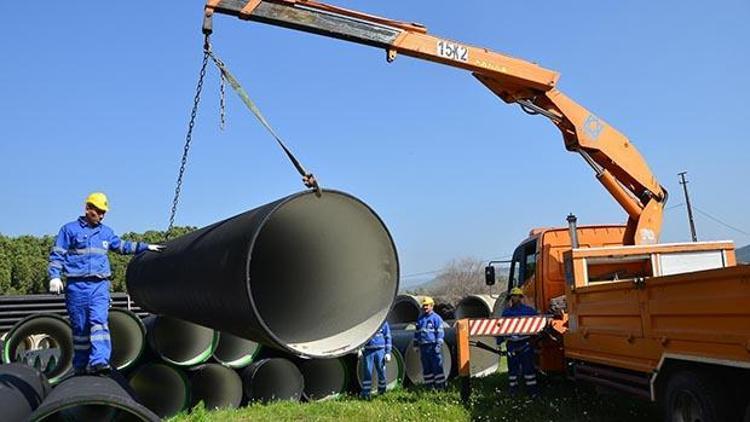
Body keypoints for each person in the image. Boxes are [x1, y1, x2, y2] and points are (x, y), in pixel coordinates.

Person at [48, 192, 164, 375]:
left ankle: (99, 361)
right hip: (76, 286)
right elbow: (57, 255)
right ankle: (80, 366)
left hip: (99, 286)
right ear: (88, 209)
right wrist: (54, 276)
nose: (101, 215)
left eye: (104, 213)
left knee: (99, 323)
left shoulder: (106, 232)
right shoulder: (69, 230)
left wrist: (146, 247)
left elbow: (123, 246)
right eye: (98, 211)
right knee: (80, 328)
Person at [497, 287, 539, 396]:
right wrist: (499, 341)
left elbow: (538, 323)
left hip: (525, 344)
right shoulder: (507, 313)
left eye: (517, 296)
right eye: (513, 296)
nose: (515, 298)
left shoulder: (528, 311)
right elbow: (501, 328)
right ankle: (514, 391)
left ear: (521, 297)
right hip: (512, 345)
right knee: (513, 371)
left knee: (528, 369)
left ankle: (532, 391)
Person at [413, 296, 446, 390]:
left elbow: (440, 332)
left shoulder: (436, 318)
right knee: (426, 368)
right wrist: (415, 345)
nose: (425, 308)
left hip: (433, 346)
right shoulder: (420, 319)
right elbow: (417, 333)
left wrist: (438, 344)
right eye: (424, 306)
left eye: (427, 305)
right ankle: (429, 387)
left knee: (437, 367)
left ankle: (440, 387)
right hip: (423, 347)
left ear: (432, 306)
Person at [358, 321, 392, 399]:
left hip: (380, 350)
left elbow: (388, 337)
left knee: (381, 371)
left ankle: (382, 391)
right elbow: (360, 337)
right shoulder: (366, 323)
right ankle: (366, 393)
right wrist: (359, 349)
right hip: (368, 351)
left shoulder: (384, 323)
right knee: (367, 372)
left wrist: (388, 352)